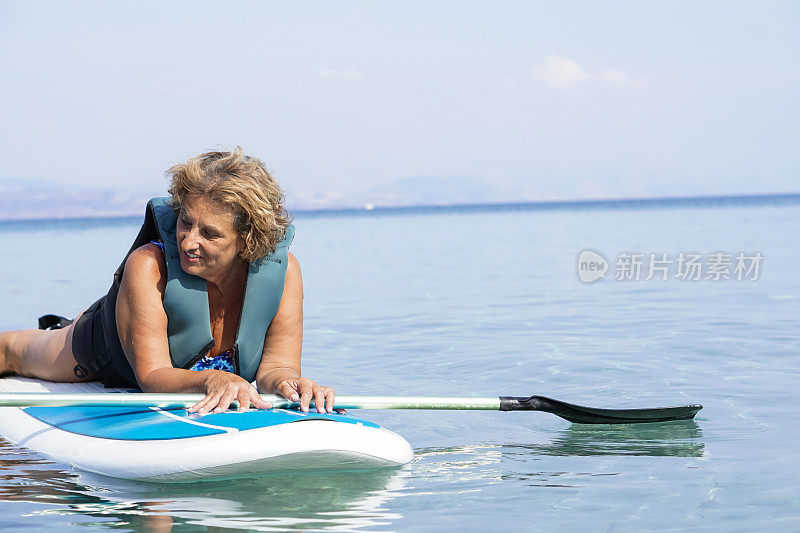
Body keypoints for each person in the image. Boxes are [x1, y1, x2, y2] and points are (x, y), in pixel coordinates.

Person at [0, 148, 335, 415]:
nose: (188, 241)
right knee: (15, 353)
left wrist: (294, 385)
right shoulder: (148, 265)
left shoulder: (284, 272)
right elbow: (152, 375)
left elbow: (276, 368)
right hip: (99, 351)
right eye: (185, 222)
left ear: (247, 240)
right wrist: (214, 379)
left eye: (210, 234)